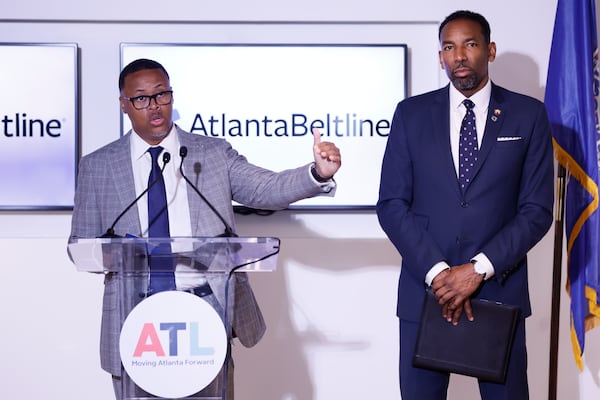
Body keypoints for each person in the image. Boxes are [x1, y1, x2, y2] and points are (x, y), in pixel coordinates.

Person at [68, 58, 341, 399]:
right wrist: (120, 251)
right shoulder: (98, 166)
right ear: (123, 104)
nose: (154, 106)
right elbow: (80, 244)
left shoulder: (211, 153)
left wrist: (316, 173)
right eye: (141, 98)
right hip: (134, 316)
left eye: (161, 95)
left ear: (171, 95)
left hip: (205, 311)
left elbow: (265, 189)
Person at [376, 10, 553, 400]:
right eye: (449, 47)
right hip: (426, 296)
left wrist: (477, 269)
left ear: (489, 50)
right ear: (440, 56)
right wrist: (440, 274)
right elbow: (391, 205)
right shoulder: (411, 115)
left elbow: (537, 210)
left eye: (469, 45)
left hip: (498, 293)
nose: (459, 56)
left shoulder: (528, 115)